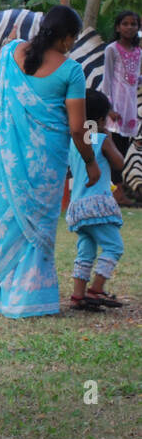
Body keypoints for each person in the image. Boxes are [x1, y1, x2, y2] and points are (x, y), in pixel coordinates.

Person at [0, 5, 95, 318]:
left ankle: (5, 294)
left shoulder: (10, 52)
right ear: (66, 37)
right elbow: (78, 128)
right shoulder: (71, 70)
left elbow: (2, 57)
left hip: (6, 158)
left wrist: (12, 42)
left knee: (8, 220)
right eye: (73, 38)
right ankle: (31, 297)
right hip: (45, 162)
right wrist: (90, 162)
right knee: (38, 225)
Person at [66, 89, 126, 310]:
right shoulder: (101, 138)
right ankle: (96, 289)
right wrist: (108, 137)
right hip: (97, 206)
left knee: (86, 250)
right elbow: (119, 164)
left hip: (78, 208)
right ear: (101, 120)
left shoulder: (74, 142)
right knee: (114, 247)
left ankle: (78, 295)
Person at [102, 9, 139, 204]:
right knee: (112, 149)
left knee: (123, 151)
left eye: (133, 24)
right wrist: (108, 108)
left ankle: (117, 190)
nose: (129, 27)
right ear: (118, 27)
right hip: (115, 108)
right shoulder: (112, 50)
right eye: (125, 23)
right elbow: (107, 79)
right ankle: (116, 192)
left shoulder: (138, 52)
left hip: (130, 109)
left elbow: (135, 78)